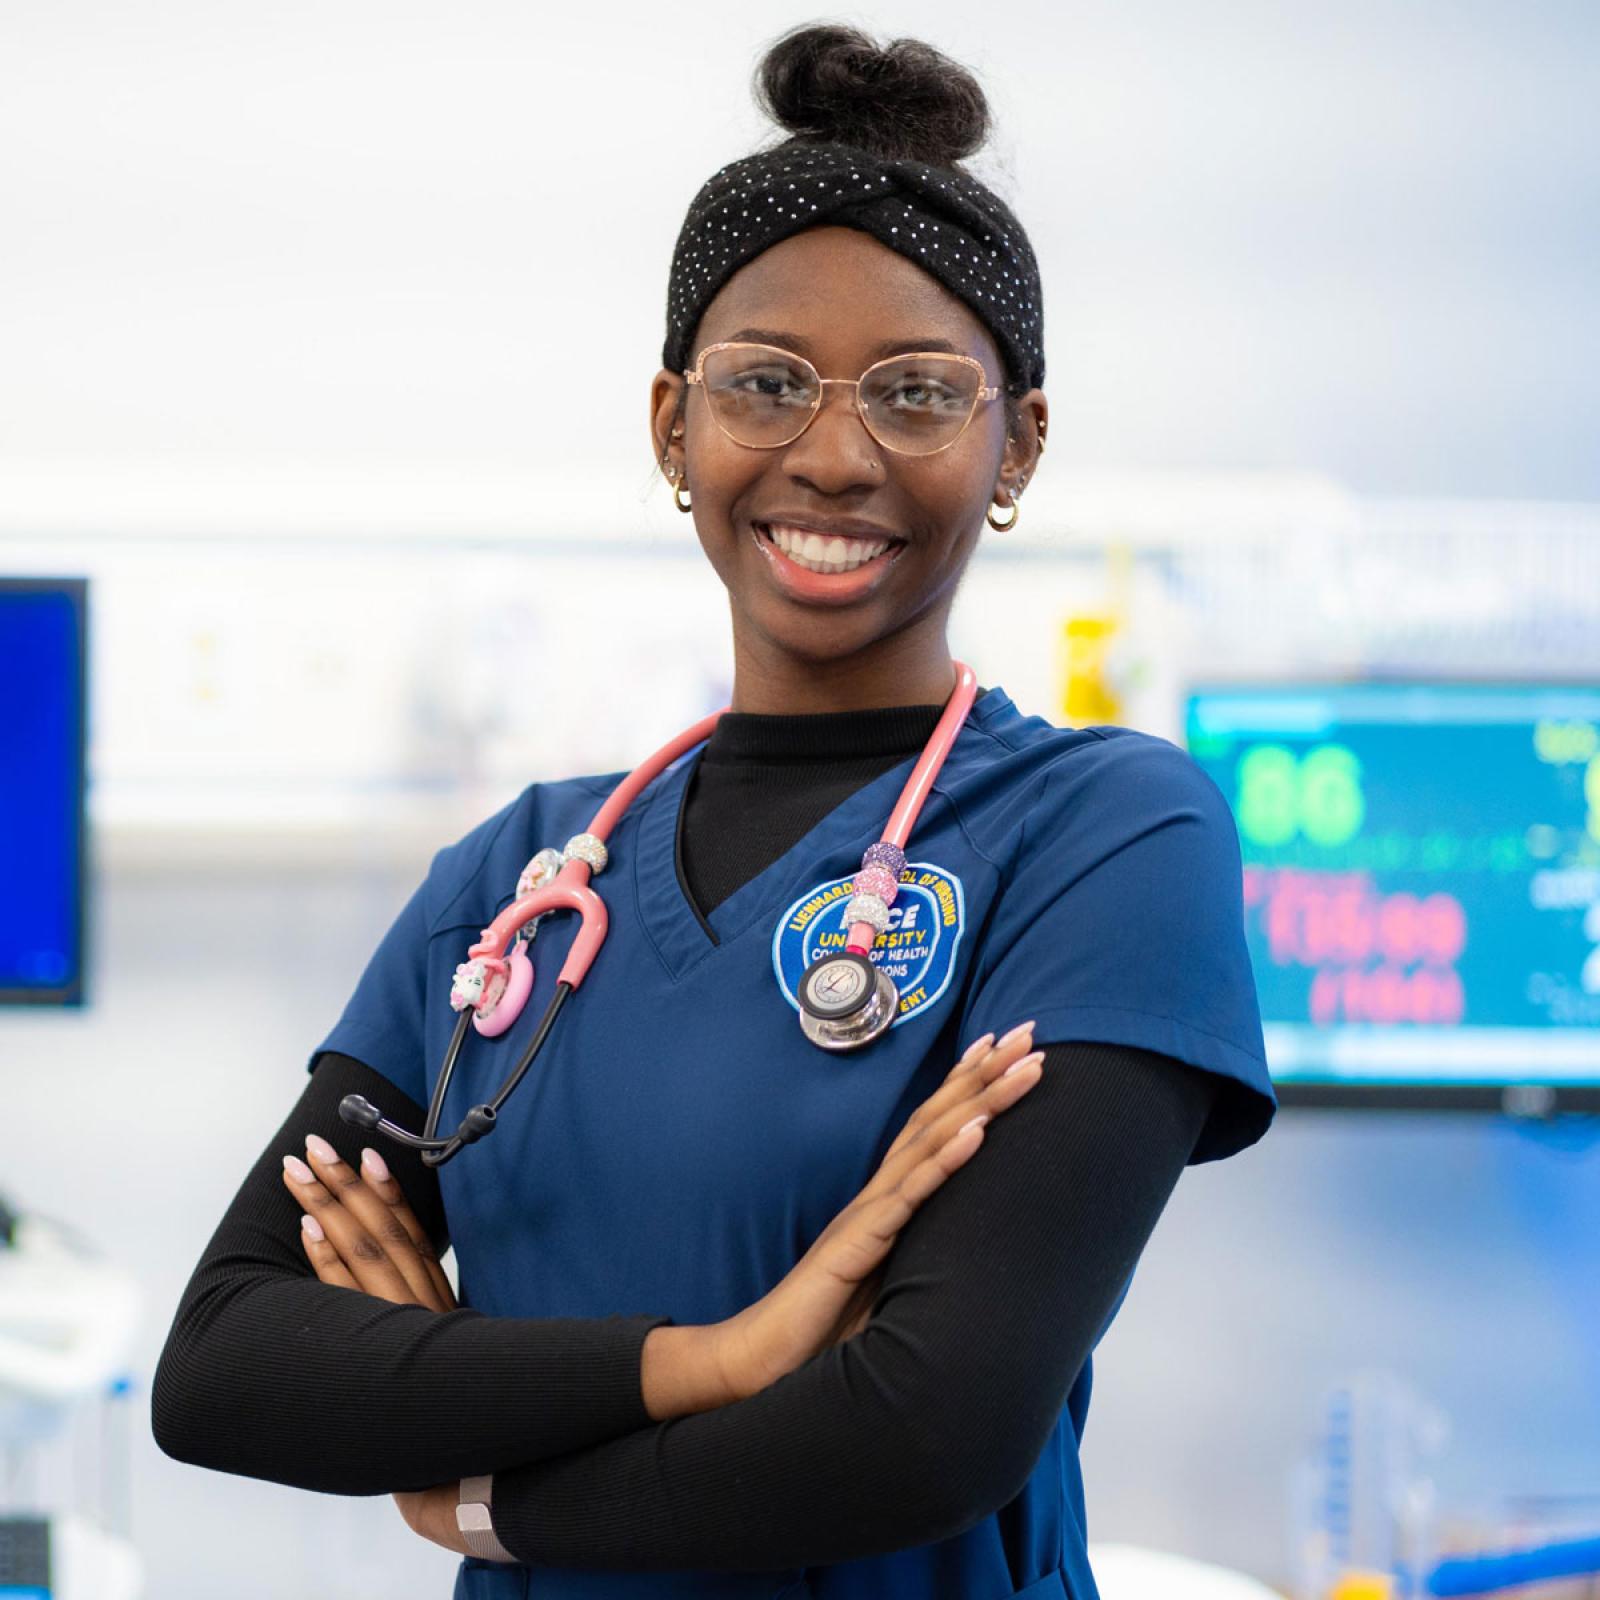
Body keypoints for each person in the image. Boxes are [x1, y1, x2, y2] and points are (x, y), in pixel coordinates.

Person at [151, 23, 1276, 1599]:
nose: (832, 454)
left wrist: (474, 1488)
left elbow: (924, 1431)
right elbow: (224, 1366)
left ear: (1016, 441)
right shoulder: (517, 882)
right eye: (765, 383)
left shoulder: (1102, 839)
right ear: (674, 425)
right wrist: (727, 1356)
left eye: (917, 393)